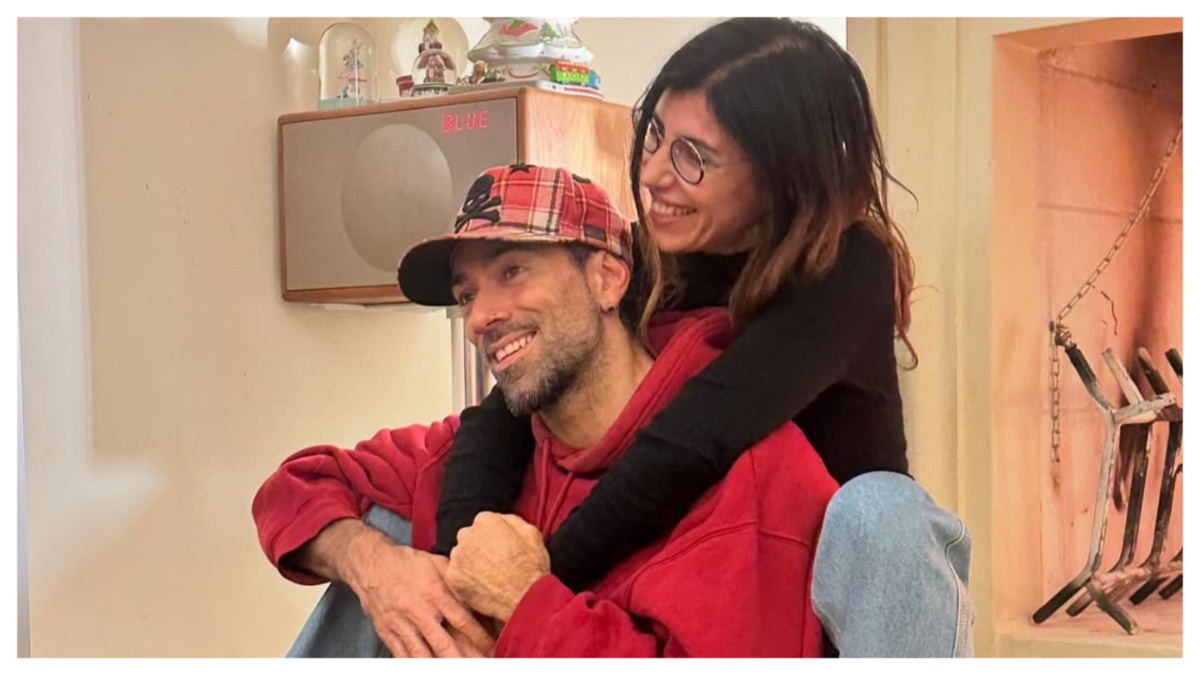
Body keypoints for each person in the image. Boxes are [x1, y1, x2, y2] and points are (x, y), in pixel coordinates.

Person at [434, 18, 974, 658]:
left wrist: (536, 585)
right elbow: (500, 418)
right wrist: (459, 573)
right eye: (655, 136)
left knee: (883, 509)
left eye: (694, 157)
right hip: (716, 579)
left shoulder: (845, 268)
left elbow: (692, 439)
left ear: (780, 173)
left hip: (838, 601)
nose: (654, 174)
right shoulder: (652, 260)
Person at [252, 164, 838, 658]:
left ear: (608, 278)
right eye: (467, 295)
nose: (480, 318)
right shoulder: (479, 451)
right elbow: (293, 488)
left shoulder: (754, 477)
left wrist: (525, 601)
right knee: (377, 532)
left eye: (512, 271)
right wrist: (378, 572)